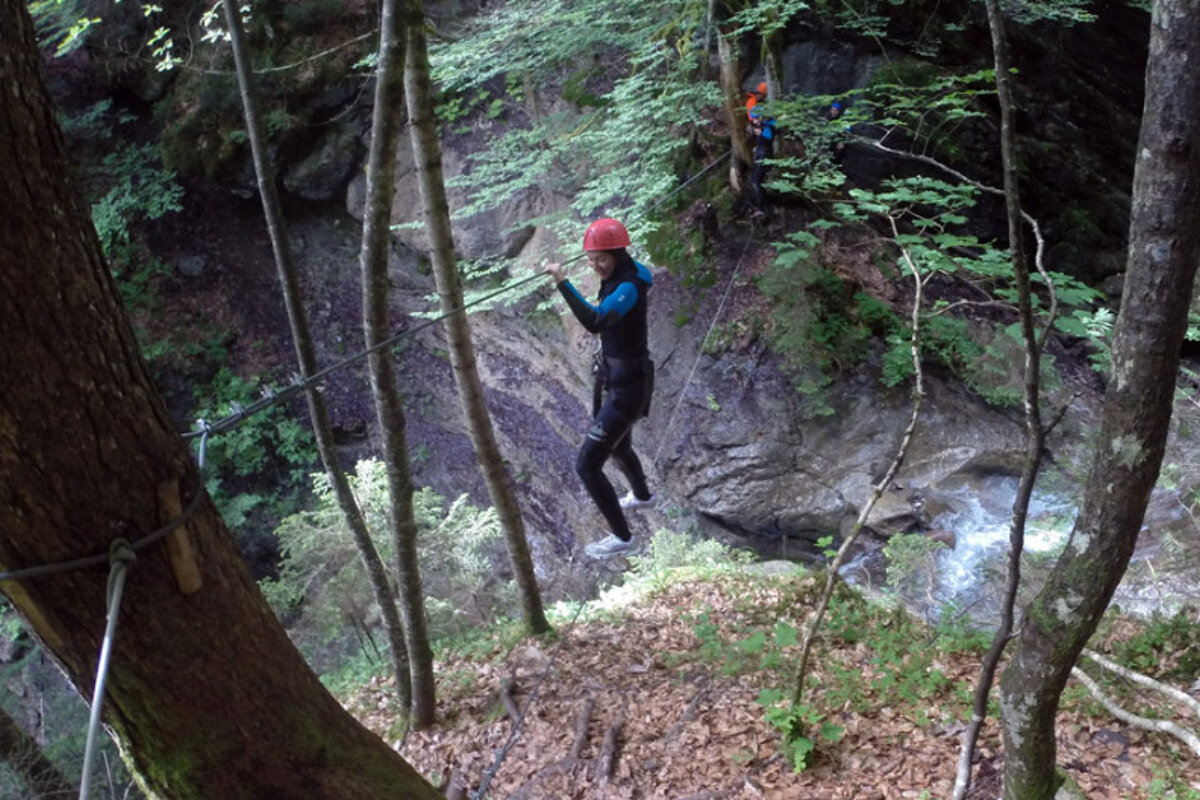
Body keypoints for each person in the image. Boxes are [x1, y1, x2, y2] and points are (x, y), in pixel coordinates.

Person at [544, 218, 657, 559]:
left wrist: (562, 281)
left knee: (587, 465)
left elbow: (595, 321)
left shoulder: (629, 286)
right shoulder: (628, 273)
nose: (596, 267)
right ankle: (642, 496)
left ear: (620, 254)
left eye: (602, 260)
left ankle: (623, 538)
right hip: (622, 381)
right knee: (620, 447)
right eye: (591, 261)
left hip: (629, 389)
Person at [745, 81, 776, 215]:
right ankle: (762, 206)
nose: (755, 121)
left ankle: (762, 209)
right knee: (757, 181)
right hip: (760, 153)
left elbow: (768, 138)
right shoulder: (763, 125)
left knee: (756, 182)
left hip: (764, 155)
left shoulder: (768, 127)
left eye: (757, 118)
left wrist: (760, 133)